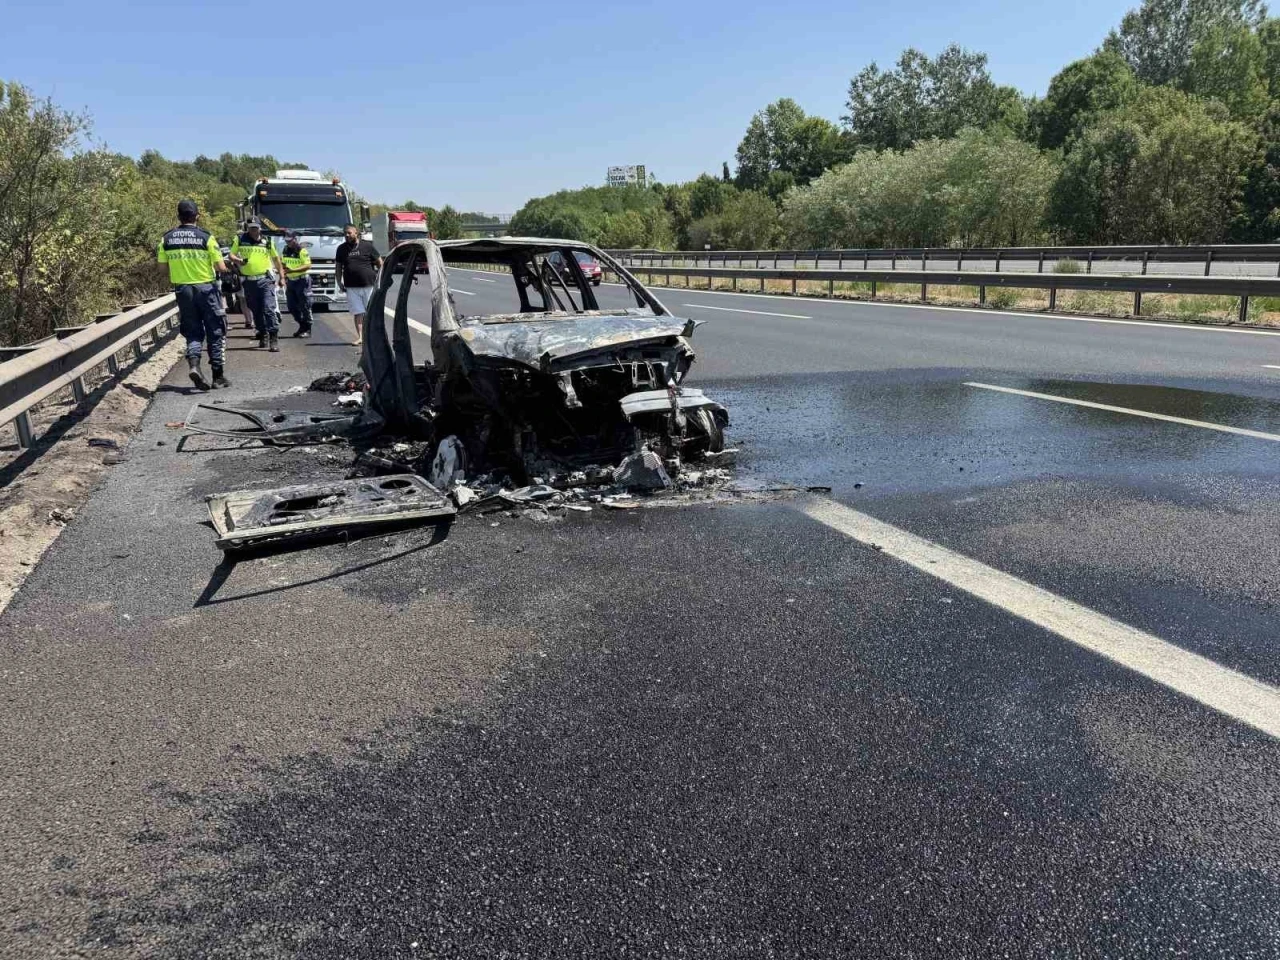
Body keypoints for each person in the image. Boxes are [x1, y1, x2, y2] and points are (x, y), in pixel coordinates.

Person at [157, 199, 230, 390]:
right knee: (215, 330)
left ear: (178, 216)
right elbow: (220, 266)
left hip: (183, 290)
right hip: (206, 289)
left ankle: (195, 365)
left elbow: (162, 270)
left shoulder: (166, 239)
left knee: (193, 331)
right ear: (197, 216)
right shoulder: (206, 238)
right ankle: (218, 376)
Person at [230, 219, 285, 351]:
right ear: (247, 228)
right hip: (249, 281)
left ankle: (273, 337)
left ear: (260, 228)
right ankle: (263, 333)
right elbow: (231, 255)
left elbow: (276, 260)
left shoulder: (268, 241)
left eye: (256, 227)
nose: (254, 230)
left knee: (268, 308)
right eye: (251, 227)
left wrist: (282, 277)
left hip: (265, 280)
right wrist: (238, 260)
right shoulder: (240, 239)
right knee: (256, 310)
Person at [335, 224, 382, 347]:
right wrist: (339, 282)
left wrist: (381, 278)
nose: (347, 235)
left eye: (349, 233)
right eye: (345, 233)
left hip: (369, 285)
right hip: (351, 287)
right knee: (358, 312)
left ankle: (374, 336)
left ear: (356, 233)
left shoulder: (367, 246)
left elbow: (380, 262)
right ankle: (361, 337)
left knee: (371, 312)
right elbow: (338, 267)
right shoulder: (341, 249)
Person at [280, 232, 313, 338]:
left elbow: (308, 265)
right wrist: (282, 274)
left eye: (290, 240)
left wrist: (293, 270)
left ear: (295, 239)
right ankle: (302, 325)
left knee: (305, 305)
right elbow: (283, 263)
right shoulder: (285, 250)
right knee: (291, 306)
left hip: (302, 280)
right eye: (286, 240)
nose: (288, 242)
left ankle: (308, 328)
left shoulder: (302, 250)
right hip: (291, 281)